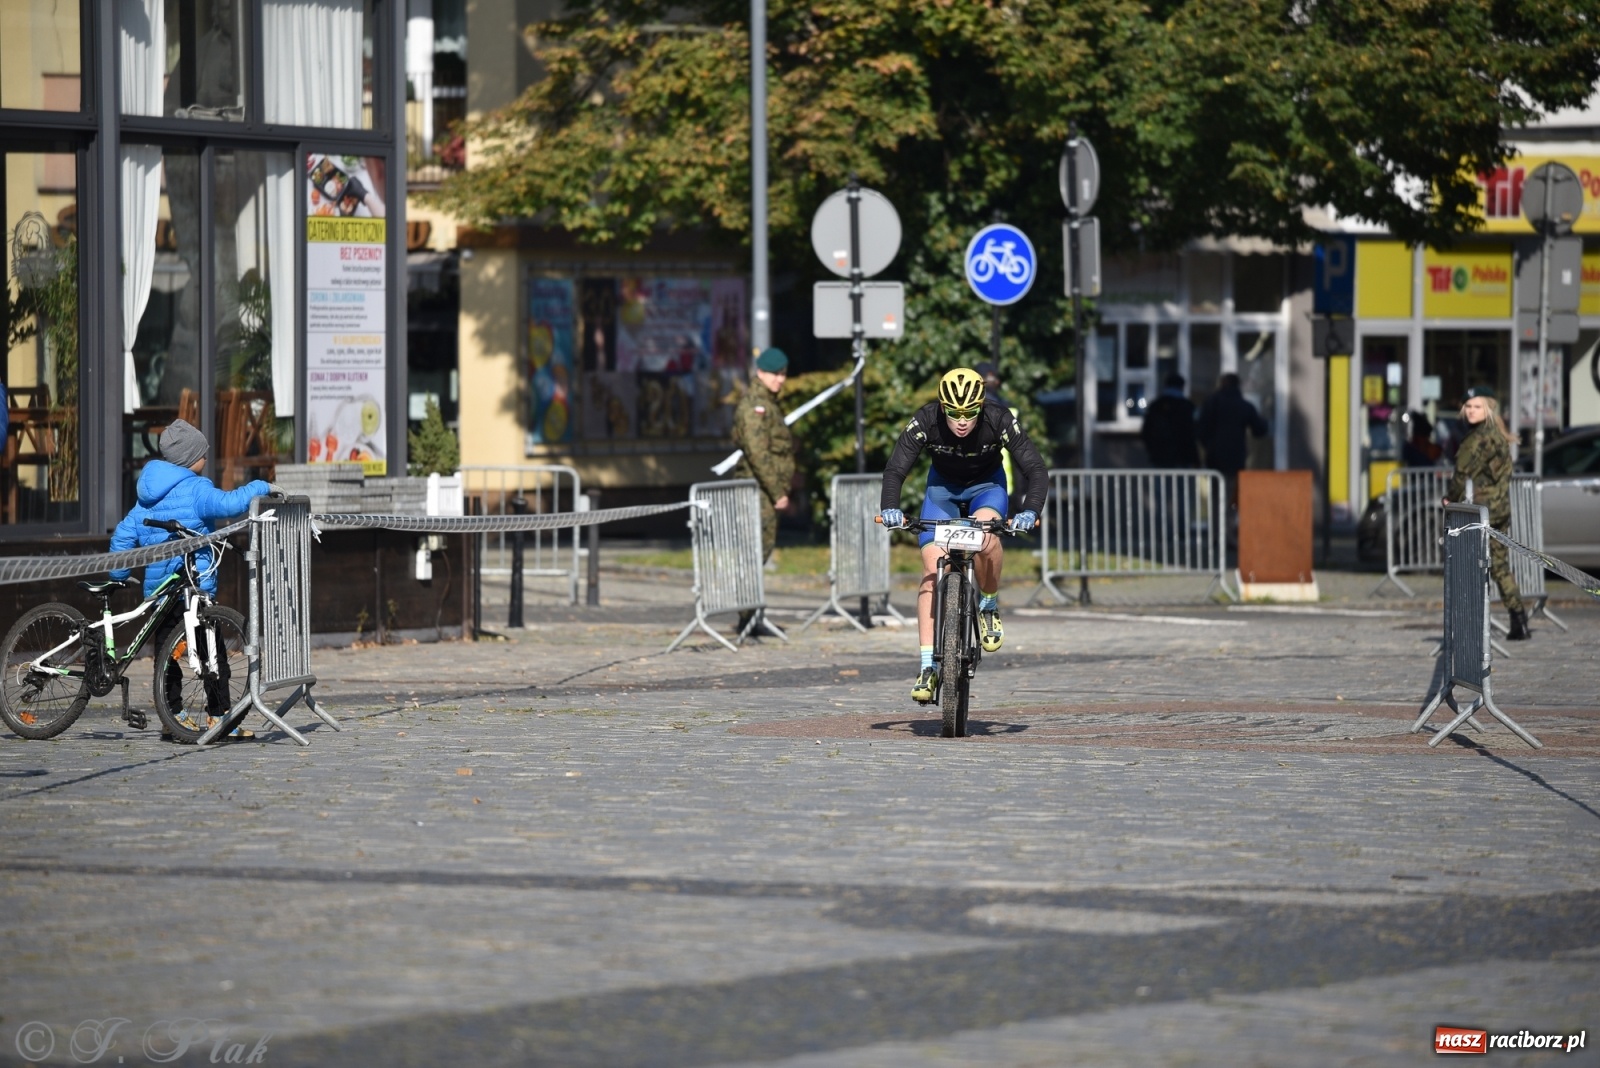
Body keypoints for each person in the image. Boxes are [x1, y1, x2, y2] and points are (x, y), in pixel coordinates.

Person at [877, 368, 1047, 703]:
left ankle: (988, 605)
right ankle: (928, 665)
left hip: (987, 487)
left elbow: (1036, 468)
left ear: (981, 406)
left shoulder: (998, 418)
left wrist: (1030, 511)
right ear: (942, 407)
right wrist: (891, 508)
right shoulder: (926, 419)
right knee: (930, 570)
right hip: (942, 491)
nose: (962, 421)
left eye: (970, 413)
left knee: (986, 537)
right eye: (954, 413)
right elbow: (896, 469)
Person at [111, 420, 272, 734]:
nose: (206, 459)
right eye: (203, 453)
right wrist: (261, 487)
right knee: (213, 655)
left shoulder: (145, 496)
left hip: (160, 592)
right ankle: (219, 716)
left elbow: (122, 536)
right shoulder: (198, 489)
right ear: (190, 459)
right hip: (195, 588)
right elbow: (230, 503)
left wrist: (119, 575)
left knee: (165, 659)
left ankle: (172, 719)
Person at [1442, 390, 1528, 640]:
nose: (1470, 410)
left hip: (1482, 514)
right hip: (1500, 509)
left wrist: (1450, 499)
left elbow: (1460, 474)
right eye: (1468, 405)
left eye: (1477, 406)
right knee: (1499, 565)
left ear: (1488, 409)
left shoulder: (1477, 439)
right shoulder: (1498, 435)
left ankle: (1472, 628)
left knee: (1471, 567)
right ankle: (1518, 619)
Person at [731, 347, 795, 566]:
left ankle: (749, 600)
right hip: (757, 491)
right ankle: (742, 600)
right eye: (775, 374)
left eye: (783, 374)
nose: (780, 379)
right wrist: (778, 493)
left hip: (765, 493)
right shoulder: (754, 407)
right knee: (751, 556)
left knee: (759, 554)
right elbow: (758, 453)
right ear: (760, 373)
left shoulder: (769, 405)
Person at [1197, 372, 1268, 505]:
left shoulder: (1211, 403)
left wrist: (1209, 446)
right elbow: (1259, 430)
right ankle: (1228, 523)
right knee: (1232, 497)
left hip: (1215, 458)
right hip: (1236, 458)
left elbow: (1200, 430)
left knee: (1216, 497)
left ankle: (1217, 524)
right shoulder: (1243, 405)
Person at [1139, 372, 1200, 467]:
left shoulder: (1156, 406)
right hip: (1183, 456)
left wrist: (1152, 449)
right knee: (1182, 481)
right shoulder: (1187, 406)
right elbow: (1193, 431)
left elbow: (1146, 430)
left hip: (1160, 455)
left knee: (1162, 480)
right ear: (1182, 387)